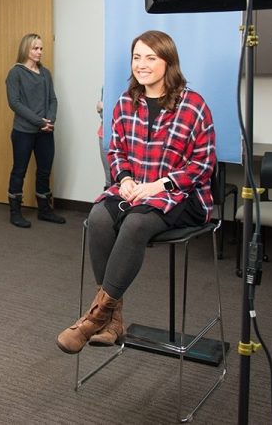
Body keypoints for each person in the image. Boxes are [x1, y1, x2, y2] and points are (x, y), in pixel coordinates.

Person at [56, 30, 216, 354]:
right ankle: (113, 322)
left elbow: (203, 163)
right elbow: (116, 151)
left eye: (150, 58)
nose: (141, 65)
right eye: (136, 57)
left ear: (168, 62)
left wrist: (159, 185)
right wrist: (125, 179)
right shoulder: (126, 102)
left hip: (181, 196)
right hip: (135, 190)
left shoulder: (194, 105)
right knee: (98, 217)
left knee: (136, 224)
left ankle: (94, 318)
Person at [5, 33, 64, 228]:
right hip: (23, 132)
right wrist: (40, 121)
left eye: (41, 48)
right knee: (19, 170)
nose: (39, 52)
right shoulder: (16, 73)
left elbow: (53, 100)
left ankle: (44, 211)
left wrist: (50, 120)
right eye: (35, 48)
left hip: (45, 131)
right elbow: (15, 103)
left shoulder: (45, 73)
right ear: (26, 50)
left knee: (44, 171)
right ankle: (15, 212)